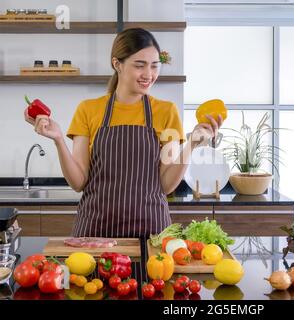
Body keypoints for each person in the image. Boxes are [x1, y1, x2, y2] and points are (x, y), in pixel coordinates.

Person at [24, 28, 222, 238]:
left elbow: (165, 184)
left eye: (155, 66)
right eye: (140, 65)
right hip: (95, 231)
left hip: (150, 231)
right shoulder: (88, 109)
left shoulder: (166, 112)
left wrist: (191, 144)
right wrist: (58, 141)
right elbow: (78, 182)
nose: (149, 74)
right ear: (117, 64)